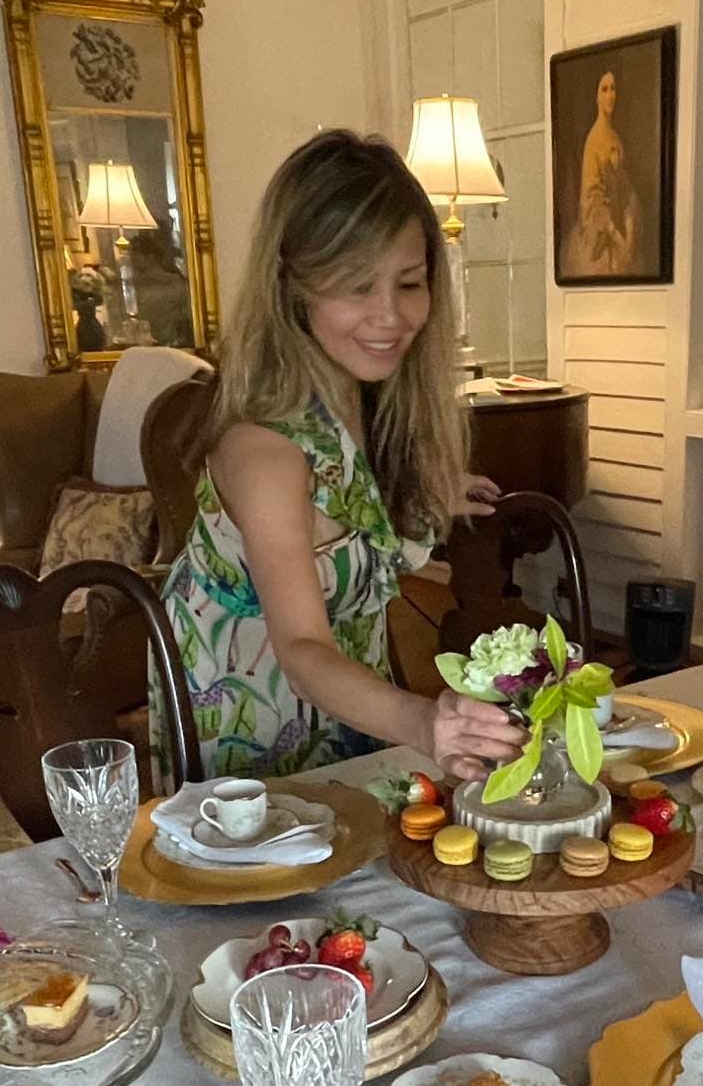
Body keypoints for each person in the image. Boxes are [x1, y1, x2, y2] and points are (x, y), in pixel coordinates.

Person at [155, 129, 524, 782]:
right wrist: (424, 722)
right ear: (292, 286)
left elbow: (347, 519)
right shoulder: (263, 451)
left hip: (352, 720)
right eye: (357, 287)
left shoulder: (369, 404)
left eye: (409, 283)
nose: (391, 316)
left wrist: (420, 498)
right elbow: (299, 646)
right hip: (249, 749)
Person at [565, 70, 644, 280]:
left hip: (619, 224)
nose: (610, 95)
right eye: (604, 89)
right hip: (602, 233)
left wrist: (629, 231)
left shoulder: (616, 137)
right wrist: (616, 237)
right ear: (597, 96)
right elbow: (592, 198)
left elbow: (625, 188)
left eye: (613, 89)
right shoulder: (594, 141)